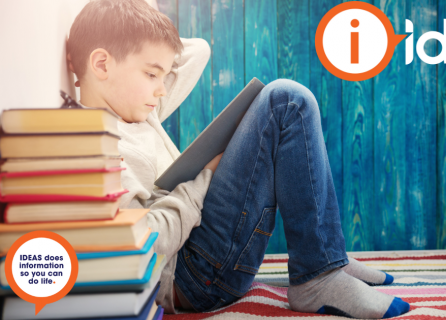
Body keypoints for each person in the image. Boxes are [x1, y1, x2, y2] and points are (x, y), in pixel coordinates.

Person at [66, 0, 410, 318]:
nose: (161, 90)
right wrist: (202, 180)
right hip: (189, 277)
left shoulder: (135, 109)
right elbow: (144, 241)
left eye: (161, 75)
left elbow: (196, 51)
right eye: (152, 74)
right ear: (101, 64)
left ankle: (324, 256)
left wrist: (133, 18)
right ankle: (317, 276)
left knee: (286, 100)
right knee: (285, 101)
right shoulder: (99, 144)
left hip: (199, 253)